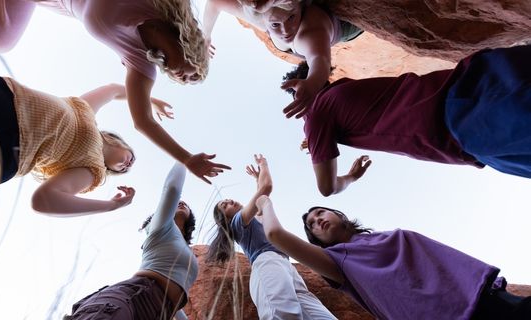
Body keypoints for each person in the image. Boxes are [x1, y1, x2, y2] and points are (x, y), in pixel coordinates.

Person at [0, 0, 231, 183]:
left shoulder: (140, 61)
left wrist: (186, 159)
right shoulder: (159, 4)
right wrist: (207, 31)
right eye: (195, 73)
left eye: (188, 81)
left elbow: (143, 122)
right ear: (195, 48)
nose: (185, 78)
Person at [283, 44, 531, 197]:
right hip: (470, 83)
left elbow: (326, 188)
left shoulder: (317, 113)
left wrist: (350, 177)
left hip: (460, 122)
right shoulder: (342, 92)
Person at [254, 195, 531, 320]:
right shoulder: (336, 262)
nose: (317, 221)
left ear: (339, 214)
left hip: (485, 296)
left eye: (320, 213)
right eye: (312, 225)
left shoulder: (381, 237)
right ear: (315, 240)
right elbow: (276, 234)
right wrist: (264, 202)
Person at [0, 71, 149, 215]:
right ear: (120, 143)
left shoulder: (92, 170)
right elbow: (114, 90)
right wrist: (148, 101)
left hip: (0, 146)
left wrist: (111, 205)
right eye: (132, 158)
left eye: (123, 170)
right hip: (2, 97)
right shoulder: (86, 113)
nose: (127, 166)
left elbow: (43, 200)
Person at [206, 154, 336, 320]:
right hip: (266, 262)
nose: (230, 201)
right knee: (282, 313)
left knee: (320, 316)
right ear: (225, 218)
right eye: (225, 205)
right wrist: (264, 164)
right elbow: (265, 189)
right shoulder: (237, 223)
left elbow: (261, 195)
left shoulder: (253, 218)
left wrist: (256, 178)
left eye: (228, 199)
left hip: (285, 264)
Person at [64, 162, 198, 319]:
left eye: (185, 204)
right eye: (177, 202)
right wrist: (183, 159)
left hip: (157, 312)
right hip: (131, 296)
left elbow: (175, 301)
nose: (181, 203)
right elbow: (172, 189)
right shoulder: (161, 227)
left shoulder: (186, 251)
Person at [203, 0, 363, 119]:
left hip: (348, 26)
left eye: (291, 18)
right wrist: (206, 36)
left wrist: (314, 83)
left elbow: (319, 59)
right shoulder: (259, 16)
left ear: (300, 8)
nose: (286, 30)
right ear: (264, 20)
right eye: (275, 25)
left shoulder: (308, 32)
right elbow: (215, 3)